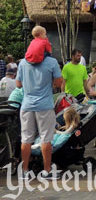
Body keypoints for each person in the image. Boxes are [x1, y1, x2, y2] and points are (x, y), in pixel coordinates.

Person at [15, 50, 62, 179]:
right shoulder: (51, 62)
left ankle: (24, 171)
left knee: (26, 138)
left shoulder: (23, 62)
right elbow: (59, 83)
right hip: (45, 106)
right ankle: (47, 171)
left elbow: (18, 84)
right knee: (46, 138)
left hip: (27, 105)